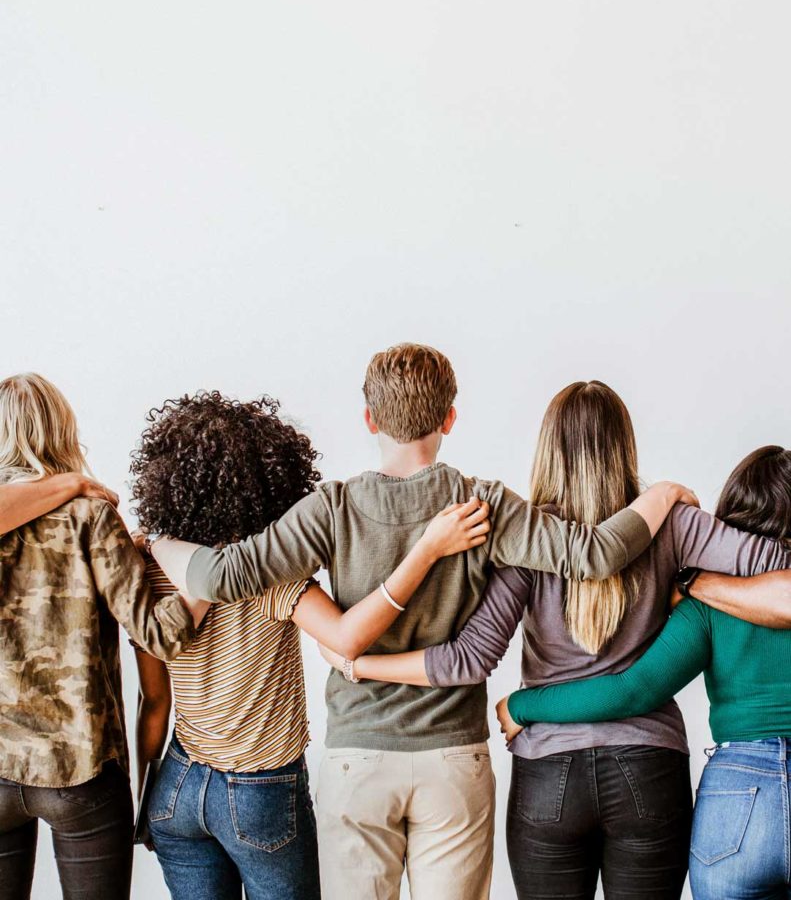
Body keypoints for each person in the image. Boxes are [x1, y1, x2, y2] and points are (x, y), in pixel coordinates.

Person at [149, 346, 695, 900]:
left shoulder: (331, 508)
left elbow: (220, 575)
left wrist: (158, 542)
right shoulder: (481, 504)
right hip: (452, 757)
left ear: (369, 419)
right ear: (449, 418)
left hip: (356, 759)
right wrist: (663, 494)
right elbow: (595, 553)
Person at [319, 383, 791, 900]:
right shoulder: (674, 524)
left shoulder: (528, 536)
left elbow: (469, 659)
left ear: (548, 448)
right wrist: (693, 575)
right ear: (624, 446)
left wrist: (361, 663)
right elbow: (776, 562)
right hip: (649, 769)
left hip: (549, 774)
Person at [129, 390, 489, 900]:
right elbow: (347, 638)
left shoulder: (150, 571)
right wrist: (426, 551)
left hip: (177, 784)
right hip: (260, 791)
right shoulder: (275, 576)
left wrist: (146, 798)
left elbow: (153, 702)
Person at [499, 445, 791, 900]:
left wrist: (522, 703)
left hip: (741, 799)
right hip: (651, 777)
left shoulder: (706, 612)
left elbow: (632, 690)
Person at [0, 374, 206, 900]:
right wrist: (212, 576)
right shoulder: (91, 516)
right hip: (81, 767)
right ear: (61, 429)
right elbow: (159, 637)